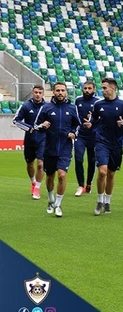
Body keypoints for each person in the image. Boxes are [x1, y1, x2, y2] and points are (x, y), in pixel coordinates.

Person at [87, 78, 123, 216]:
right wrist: (90, 123)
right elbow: (94, 119)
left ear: (113, 88)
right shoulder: (98, 104)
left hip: (116, 144)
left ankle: (108, 202)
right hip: (101, 142)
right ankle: (99, 200)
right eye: (102, 88)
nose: (102, 90)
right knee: (102, 172)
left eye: (105, 88)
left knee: (110, 174)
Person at [33, 82, 80, 217]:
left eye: (62, 90)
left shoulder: (72, 108)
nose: (60, 92)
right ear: (53, 92)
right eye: (58, 90)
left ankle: (58, 204)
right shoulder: (46, 108)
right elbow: (36, 125)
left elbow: (77, 125)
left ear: (66, 92)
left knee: (62, 175)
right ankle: (50, 199)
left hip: (65, 147)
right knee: (50, 176)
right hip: (49, 147)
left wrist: (74, 133)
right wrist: (42, 125)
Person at [12, 85, 45, 200]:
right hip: (30, 140)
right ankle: (33, 182)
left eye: (40, 92)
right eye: (36, 92)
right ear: (32, 93)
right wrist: (29, 128)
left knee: (41, 164)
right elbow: (16, 120)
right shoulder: (26, 106)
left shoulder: (47, 107)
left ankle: (37, 188)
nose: (38, 94)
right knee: (30, 164)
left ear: (43, 94)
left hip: (43, 139)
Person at [73, 81, 99, 196]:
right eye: (85, 88)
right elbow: (75, 116)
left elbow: (102, 119)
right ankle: (80, 185)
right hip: (81, 134)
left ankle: (89, 183)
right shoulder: (78, 101)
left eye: (89, 88)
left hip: (93, 136)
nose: (87, 90)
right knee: (78, 159)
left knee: (92, 160)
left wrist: (93, 120)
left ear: (94, 89)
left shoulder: (98, 102)